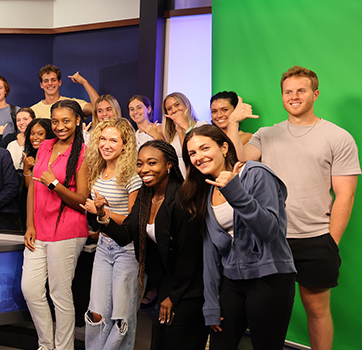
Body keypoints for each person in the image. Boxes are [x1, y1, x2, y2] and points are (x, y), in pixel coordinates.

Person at [226, 66, 359, 350]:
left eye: (301, 90)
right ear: (282, 96)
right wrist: (233, 125)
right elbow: (241, 163)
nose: (294, 96)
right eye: (288, 91)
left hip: (315, 239)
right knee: (269, 315)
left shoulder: (338, 137)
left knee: (317, 311)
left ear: (315, 94)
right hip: (272, 239)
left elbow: (345, 195)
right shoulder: (266, 134)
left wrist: (330, 243)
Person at [181, 124, 296, 349]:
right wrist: (211, 304)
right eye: (192, 153)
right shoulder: (204, 190)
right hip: (233, 280)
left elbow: (270, 230)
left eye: (205, 148)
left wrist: (235, 191)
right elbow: (210, 252)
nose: (199, 157)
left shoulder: (255, 173)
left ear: (224, 147)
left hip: (270, 277)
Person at [87, 140, 207, 349]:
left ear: (169, 164)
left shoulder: (180, 199)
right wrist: (102, 216)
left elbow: (189, 257)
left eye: (152, 163)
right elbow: (126, 235)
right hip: (167, 283)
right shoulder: (145, 196)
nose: (144, 170)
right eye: (140, 164)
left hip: (189, 288)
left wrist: (171, 296)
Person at [21, 100, 90, 350]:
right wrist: (30, 225)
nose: (60, 126)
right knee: (30, 289)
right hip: (38, 230)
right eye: (55, 121)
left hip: (68, 229)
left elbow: (82, 201)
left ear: (78, 121)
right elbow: (33, 190)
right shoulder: (45, 146)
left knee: (60, 295)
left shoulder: (82, 152)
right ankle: (46, 344)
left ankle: (63, 347)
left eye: (66, 121)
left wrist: (55, 185)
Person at [81, 118, 142, 350]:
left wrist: (102, 211)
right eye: (103, 139)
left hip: (126, 250)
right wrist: (97, 217)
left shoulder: (131, 176)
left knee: (121, 317)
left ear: (125, 145)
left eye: (113, 140)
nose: (106, 145)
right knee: (96, 312)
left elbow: (131, 221)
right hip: (104, 246)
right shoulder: (98, 169)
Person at [30, 66, 98, 119]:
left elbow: (99, 109)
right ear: (41, 85)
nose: (50, 83)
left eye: (53, 80)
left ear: (59, 82)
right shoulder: (33, 110)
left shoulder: (72, 104)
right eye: (46, 81)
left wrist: (84, 82)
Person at [162, 92, 203, 178]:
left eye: (177, 105)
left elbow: (194, 151)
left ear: (186, 105)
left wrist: (184, 126)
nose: (174, 110)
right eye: (169, 109)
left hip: (197, 178)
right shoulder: (172, 135)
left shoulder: (201, 125)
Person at [22, 118, 55, 188]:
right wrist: (26, 169)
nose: (35, 137)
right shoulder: (30, 156)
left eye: (40, 134)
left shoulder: (55, 156)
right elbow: (30, 188)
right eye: (32, 133)